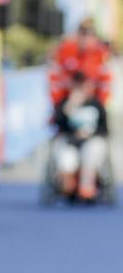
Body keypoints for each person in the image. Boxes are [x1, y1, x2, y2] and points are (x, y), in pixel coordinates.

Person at [51, 73, 109, 201]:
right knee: (66, 155)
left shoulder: (96, 105)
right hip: (70, 140)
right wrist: (70, 106)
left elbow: (104, 129)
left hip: (91, 139)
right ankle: (68, 185)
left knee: (93, 150)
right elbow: (57, 125)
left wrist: (90, 134)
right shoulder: (65, 104)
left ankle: (87, 186)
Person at [49, 18, 112, 108]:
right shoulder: (66, 50)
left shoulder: (100, 54)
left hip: (92, 99)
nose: (86, 38)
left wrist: (96, 94)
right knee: (61, 115)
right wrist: (70, 84)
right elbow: (55, 76)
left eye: (90, 34)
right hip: (67, 97)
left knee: (100, 114)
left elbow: (105, 81)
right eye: (83, 33)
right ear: (78, 34)